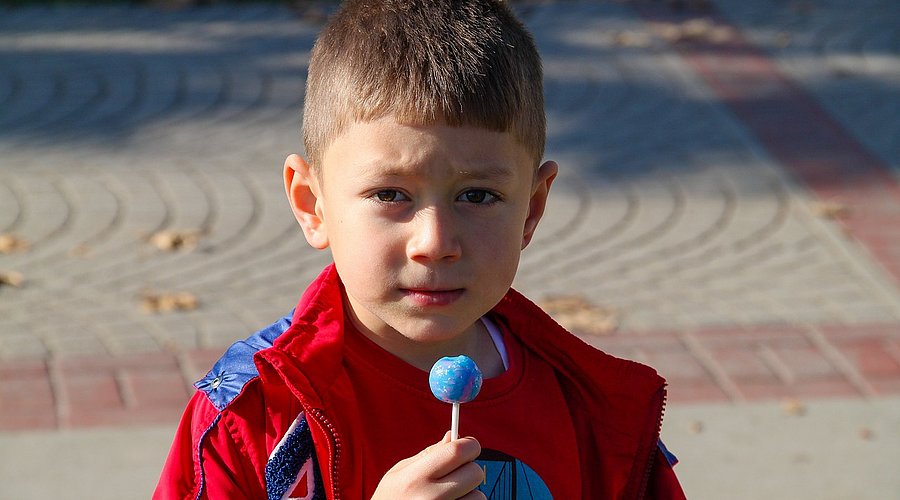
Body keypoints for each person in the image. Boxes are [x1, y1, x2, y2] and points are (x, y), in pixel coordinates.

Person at [154, 0, 685, 498]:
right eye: (390, 195)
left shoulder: (594, 410)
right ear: (311, 204)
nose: (435, 243)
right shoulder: (252, 416)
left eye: (478, 196)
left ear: (532, 208)